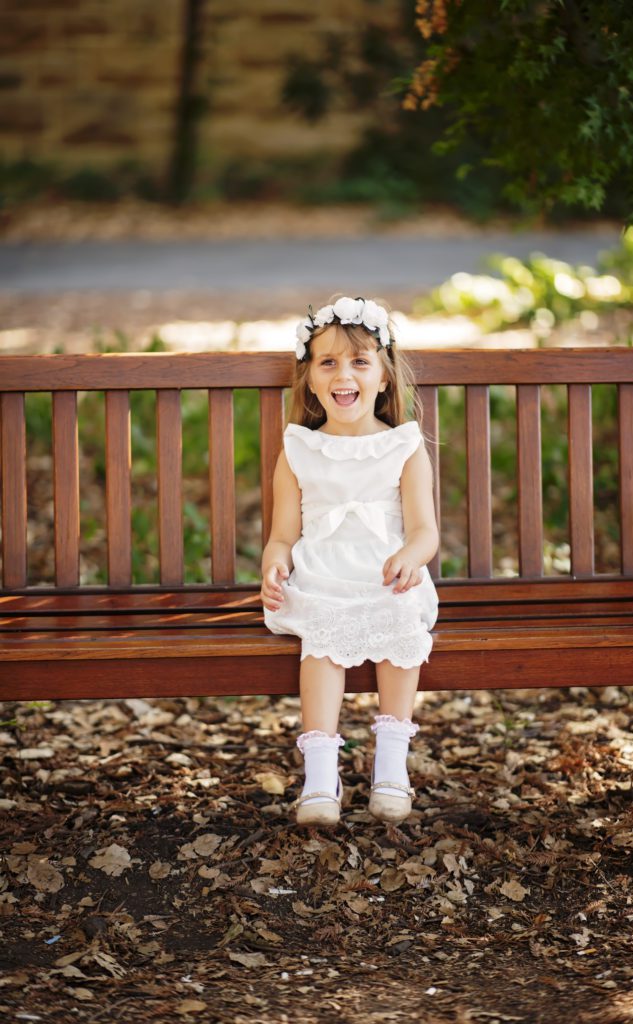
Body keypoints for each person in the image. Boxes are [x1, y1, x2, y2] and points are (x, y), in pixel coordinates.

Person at [260, 294, 439, 827]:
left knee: (400, 618)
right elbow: (282, 536)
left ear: (384, 378)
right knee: (321, 637)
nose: (345, 374)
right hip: (322, 574)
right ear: (311, 380)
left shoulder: (404, 446)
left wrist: (411, 555)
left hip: (387, 574)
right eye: (329, 362)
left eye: (360, 361)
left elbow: (426, 531)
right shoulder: (298, 449)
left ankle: (390, 767)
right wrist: (274, 565)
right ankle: (320, 775)